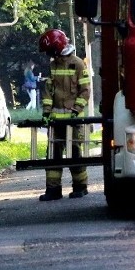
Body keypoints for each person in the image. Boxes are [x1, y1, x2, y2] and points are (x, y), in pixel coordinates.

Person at [38, 28, 91, 201]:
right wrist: (46, 112)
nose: (49, 56)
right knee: (53, 155)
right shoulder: (53, 66)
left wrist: (76, 110)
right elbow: (48, 91)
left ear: (57, 48)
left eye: (50, 52)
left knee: (75, 153)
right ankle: (53, 190)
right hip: (55, 120)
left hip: (73, 119)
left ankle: (80, 187)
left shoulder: (78, 64)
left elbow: (85, 91)